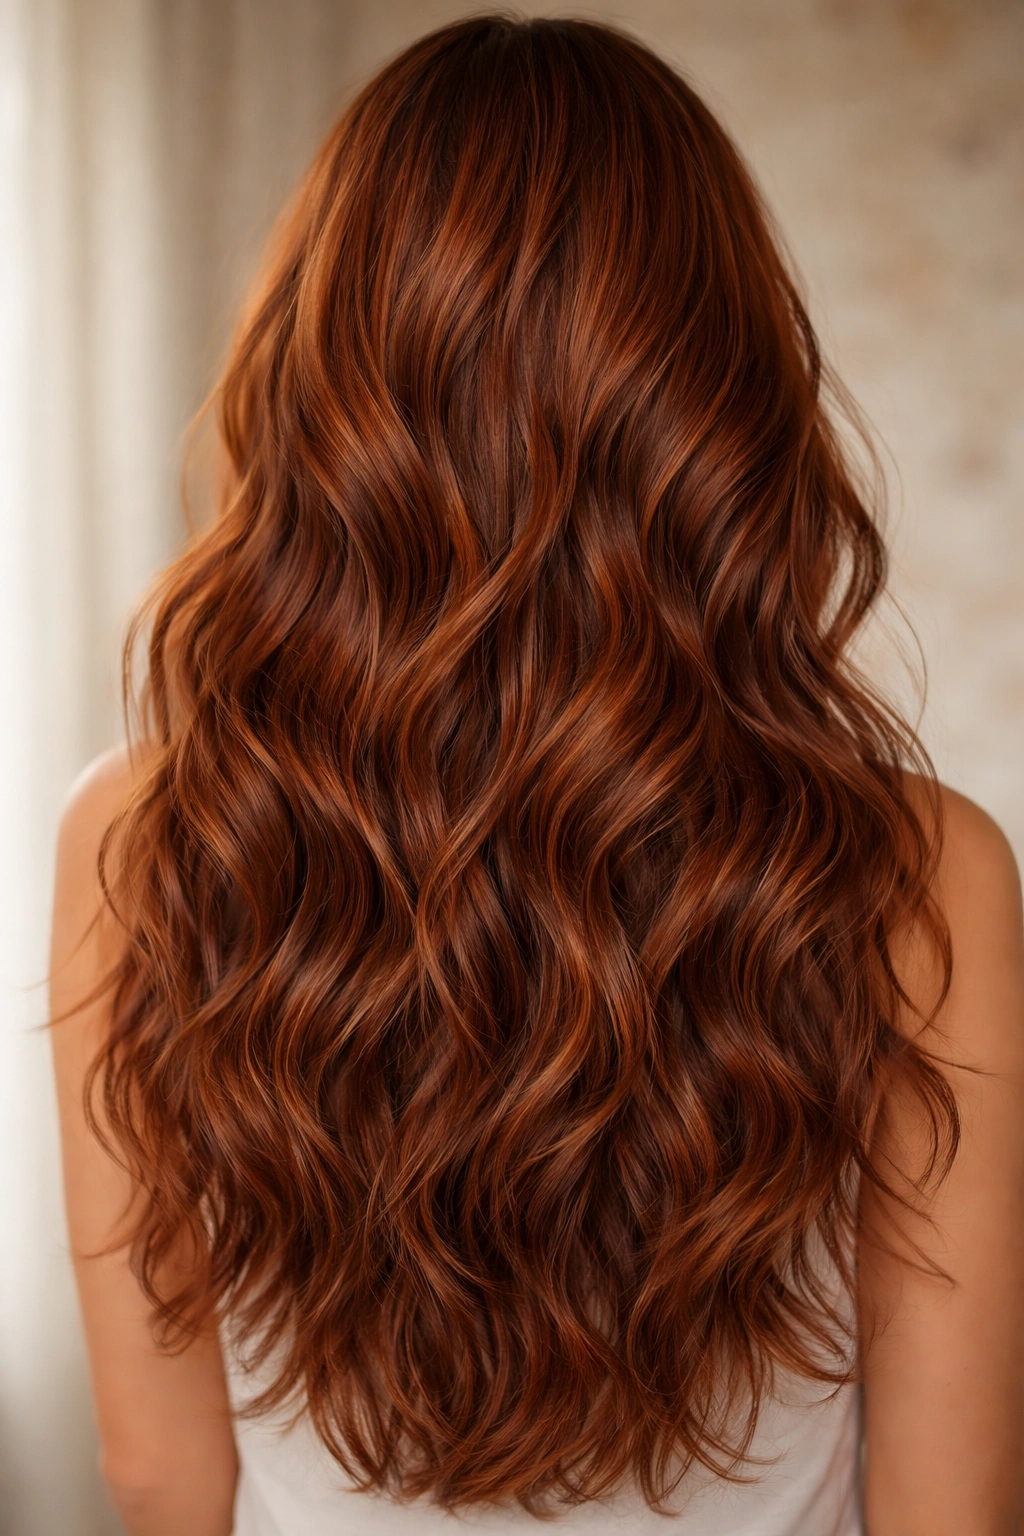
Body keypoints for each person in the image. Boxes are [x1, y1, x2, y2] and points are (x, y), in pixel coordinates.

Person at [49, 16, 1024, 1536]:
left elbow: (162, 1475)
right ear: (719, 398)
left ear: (325, 375)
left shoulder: (149, 836)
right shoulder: (919, 869)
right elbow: (949, 1508)